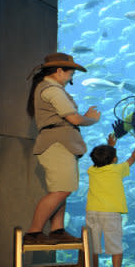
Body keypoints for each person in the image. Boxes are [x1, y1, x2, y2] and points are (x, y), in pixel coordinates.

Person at [24, 52, 101, 245]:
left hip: (60, 143)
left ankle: (57, 230)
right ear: (59, 71)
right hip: (56, 144)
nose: (72, 77)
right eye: (71, 73)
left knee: (62, 188)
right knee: (60, 190)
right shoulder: (52, 90)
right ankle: (34, 233)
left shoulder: (49, 88)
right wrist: (91, 119)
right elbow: (73, 118)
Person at [85, 127, 135, 267]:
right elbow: (133, 157)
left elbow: (103, 161)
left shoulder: (91, 170)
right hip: (110, 213)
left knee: (93, 247)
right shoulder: (117, 170)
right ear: (114, 159)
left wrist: (110, 145)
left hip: (92, 212)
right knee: (115, 246)